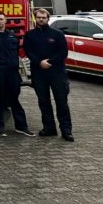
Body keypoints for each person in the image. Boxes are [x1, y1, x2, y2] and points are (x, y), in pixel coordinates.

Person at [24, 8, 73, 142]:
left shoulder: (57, 34)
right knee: (44, 102)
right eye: (39, 17)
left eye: (43, 17)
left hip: (56, 72)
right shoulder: (29, 35)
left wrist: (50, 62)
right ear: (35, 18)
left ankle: (66, 130)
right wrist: (39, 62)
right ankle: (49, 128)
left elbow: (63, 52)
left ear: (48, 18)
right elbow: (28, 51)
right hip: (39, 73)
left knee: (61, 102)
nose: (41, 19)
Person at [0, 12, 33, 137]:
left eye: (1, 19)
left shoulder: (12, 35)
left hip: (12, 72)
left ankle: (22, 127)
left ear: (5, 20)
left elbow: (16, 52)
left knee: (14, 99)